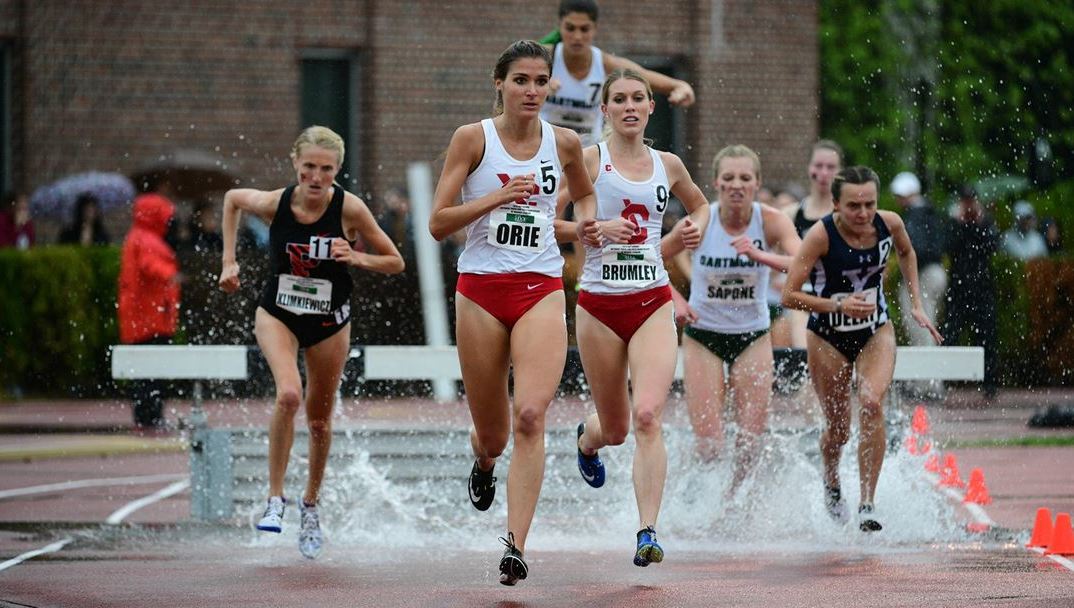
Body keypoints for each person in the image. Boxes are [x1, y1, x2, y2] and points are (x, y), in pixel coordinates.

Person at [428, 40, 595, 586]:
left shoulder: (565, 142)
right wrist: (498, 199)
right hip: (480, 290)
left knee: (530, 415)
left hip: (541, 288)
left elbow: (586, 198)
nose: (532, 91)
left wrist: (583, 239)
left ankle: (516, 544)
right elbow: (438, 222)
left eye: (541, 81)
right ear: (498, 83)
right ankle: (482, 464)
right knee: (494, 435)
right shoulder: (473, 139)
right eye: (521, 80)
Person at [218, 125, 404, 559]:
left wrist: (356, 256)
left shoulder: (350, 209)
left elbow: (394, 261)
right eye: (308, 169)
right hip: (278, 313)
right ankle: (275, 499)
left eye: (326, 170)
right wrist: (228, 262)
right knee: (287, 395)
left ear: (338, 170)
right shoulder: (275, 202)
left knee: (319, 422)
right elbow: (231, 200)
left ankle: (311, 505)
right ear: (295, 165)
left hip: (329, 323)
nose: (316, 178)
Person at [566, 69, 709, 567]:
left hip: (651, 301)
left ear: (651, 108)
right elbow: (547, 218)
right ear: (604, 110)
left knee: (648, 416)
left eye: (638, 99)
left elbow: (701, 204)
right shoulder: (588, 159)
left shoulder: (667, 164)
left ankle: (647, 531)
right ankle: (587, 440)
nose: (629, 106)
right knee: (617, 427)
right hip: (599, 307)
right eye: (619, 99)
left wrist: (693, 228)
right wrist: (592, 228)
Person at [782, 166, 941, 532]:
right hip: (827, 335)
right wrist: (838, 305)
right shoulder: (820, 235)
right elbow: (788, 295)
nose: (863, 214)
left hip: (874, 329)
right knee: (839, 429)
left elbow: (907, 253)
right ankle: (832, 479)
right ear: (836, 204)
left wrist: (916, 303)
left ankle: (868, 503)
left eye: (870, 204)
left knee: (871, 402)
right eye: (854, 206)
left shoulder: (890, 223)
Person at [665, 145, 800, 493]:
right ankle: (702, 499)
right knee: (710, 443)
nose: (736, 185)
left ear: (757, 184)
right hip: (703, 335)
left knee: (750, 442)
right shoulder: (700, 221)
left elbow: (804, 263)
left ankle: (734, 504)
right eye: (728, 178)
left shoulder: (770, 220)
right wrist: (676, 299)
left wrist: (759, 254)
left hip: (752, 335)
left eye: (745, 178)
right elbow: (648, 260)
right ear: (715, 183)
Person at [540, 0, 695, 147]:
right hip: (545, 149)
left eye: (584, 29)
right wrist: (540, 85)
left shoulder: (604, 64)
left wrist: (680, 86)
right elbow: (516, 72)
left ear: (595, 28)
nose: (577, 37)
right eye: (570, 28)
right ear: (560, 26)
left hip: (586, 155)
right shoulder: (543, 58)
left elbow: (643, 76)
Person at [118, 191, 181, 429]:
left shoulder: (137, 237)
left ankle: (147, 414)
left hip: (144, 317)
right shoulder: (146, 240)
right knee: (153, 370)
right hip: (151, 318)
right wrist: (172, 276)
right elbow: (150, 265)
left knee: (145, 371)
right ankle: (150, 416)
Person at [890, 171, 948, 398]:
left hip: (923, 275)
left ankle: (927, 385)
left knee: (921, 329)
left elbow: (917, 250)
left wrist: (904, 267)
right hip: (935, 272)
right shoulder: (931, 212)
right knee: (927, 327)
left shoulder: (916, 215)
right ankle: (928, 382)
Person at [942, 184, 999, 398]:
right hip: (958, 287)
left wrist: (979, 223)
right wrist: (961, 225)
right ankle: (946, 380)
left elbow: (992, 245)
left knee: (987, 335)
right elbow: (949, 246)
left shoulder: (986, 221)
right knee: (950, 334)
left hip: (982, 286)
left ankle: (989, 383)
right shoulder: (953, 223)